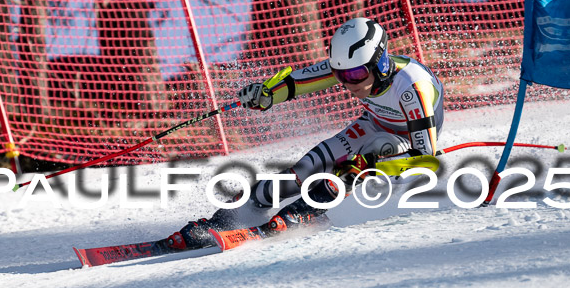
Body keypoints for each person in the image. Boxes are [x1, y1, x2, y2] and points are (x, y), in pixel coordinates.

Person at [154, 17, 444, 252]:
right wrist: (266, 94)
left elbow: (426, 158)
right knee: (302, 171)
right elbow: (298, 81)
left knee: (360, 161)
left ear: (380, 64)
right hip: (373, 123)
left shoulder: (411, 87)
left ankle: (310, 209)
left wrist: (371, 168)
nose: (348, 83)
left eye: (355, 76)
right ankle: (226, 220)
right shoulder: (352, 67)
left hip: (403, 141)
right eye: (342, 76)